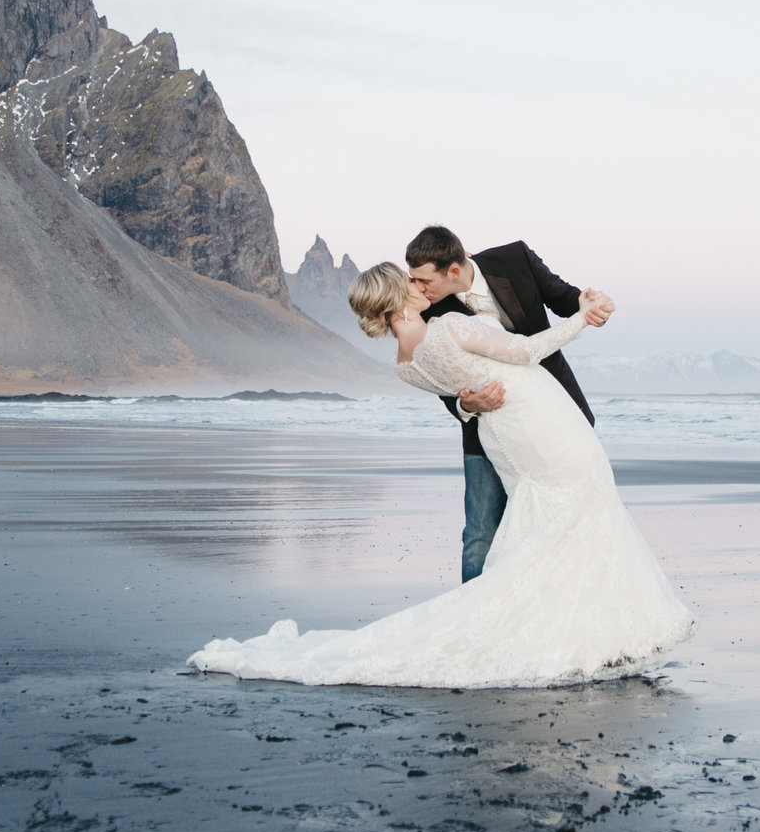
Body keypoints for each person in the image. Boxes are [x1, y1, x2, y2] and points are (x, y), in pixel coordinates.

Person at [184, 261, 693, 689]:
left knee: (551, 518)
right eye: (409, 284)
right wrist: (582, 319)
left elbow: (463, 399)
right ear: (396, 298)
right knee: (579, 503)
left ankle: (577, 627)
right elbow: (526, 351)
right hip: (540, 423)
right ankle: (591, 631)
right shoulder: (446, 328)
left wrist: (471, 407)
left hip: (504, 433)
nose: (418, 287)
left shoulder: (404, 363)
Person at [402, 226, 605, 583]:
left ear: (452, 271)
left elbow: (564, 298)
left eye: (422, 280)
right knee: (480, 532)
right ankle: (473, 621)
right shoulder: (429, 315)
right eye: (412, 280)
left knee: (564, 515)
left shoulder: (514, 258)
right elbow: (441, 381)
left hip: (554, 416)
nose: (417, 288)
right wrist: (468, 406)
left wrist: (590, 305)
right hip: (488, 431)